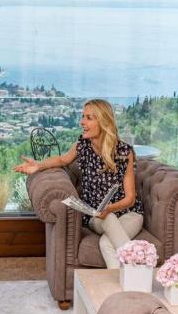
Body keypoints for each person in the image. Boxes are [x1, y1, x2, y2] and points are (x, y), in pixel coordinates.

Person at [14, 98, 144, 269]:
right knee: (109, 218)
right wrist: (39, 165)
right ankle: (140, 267)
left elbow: (130, 198)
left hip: (129, 215)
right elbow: (62, 160)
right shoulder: (83, 145)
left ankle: (124, 283)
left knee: (106, 244)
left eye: (89, 118)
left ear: (103, 122)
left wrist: (110, 208)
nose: (82, 122)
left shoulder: (124, 152)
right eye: (83, 116)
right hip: (97, 218)